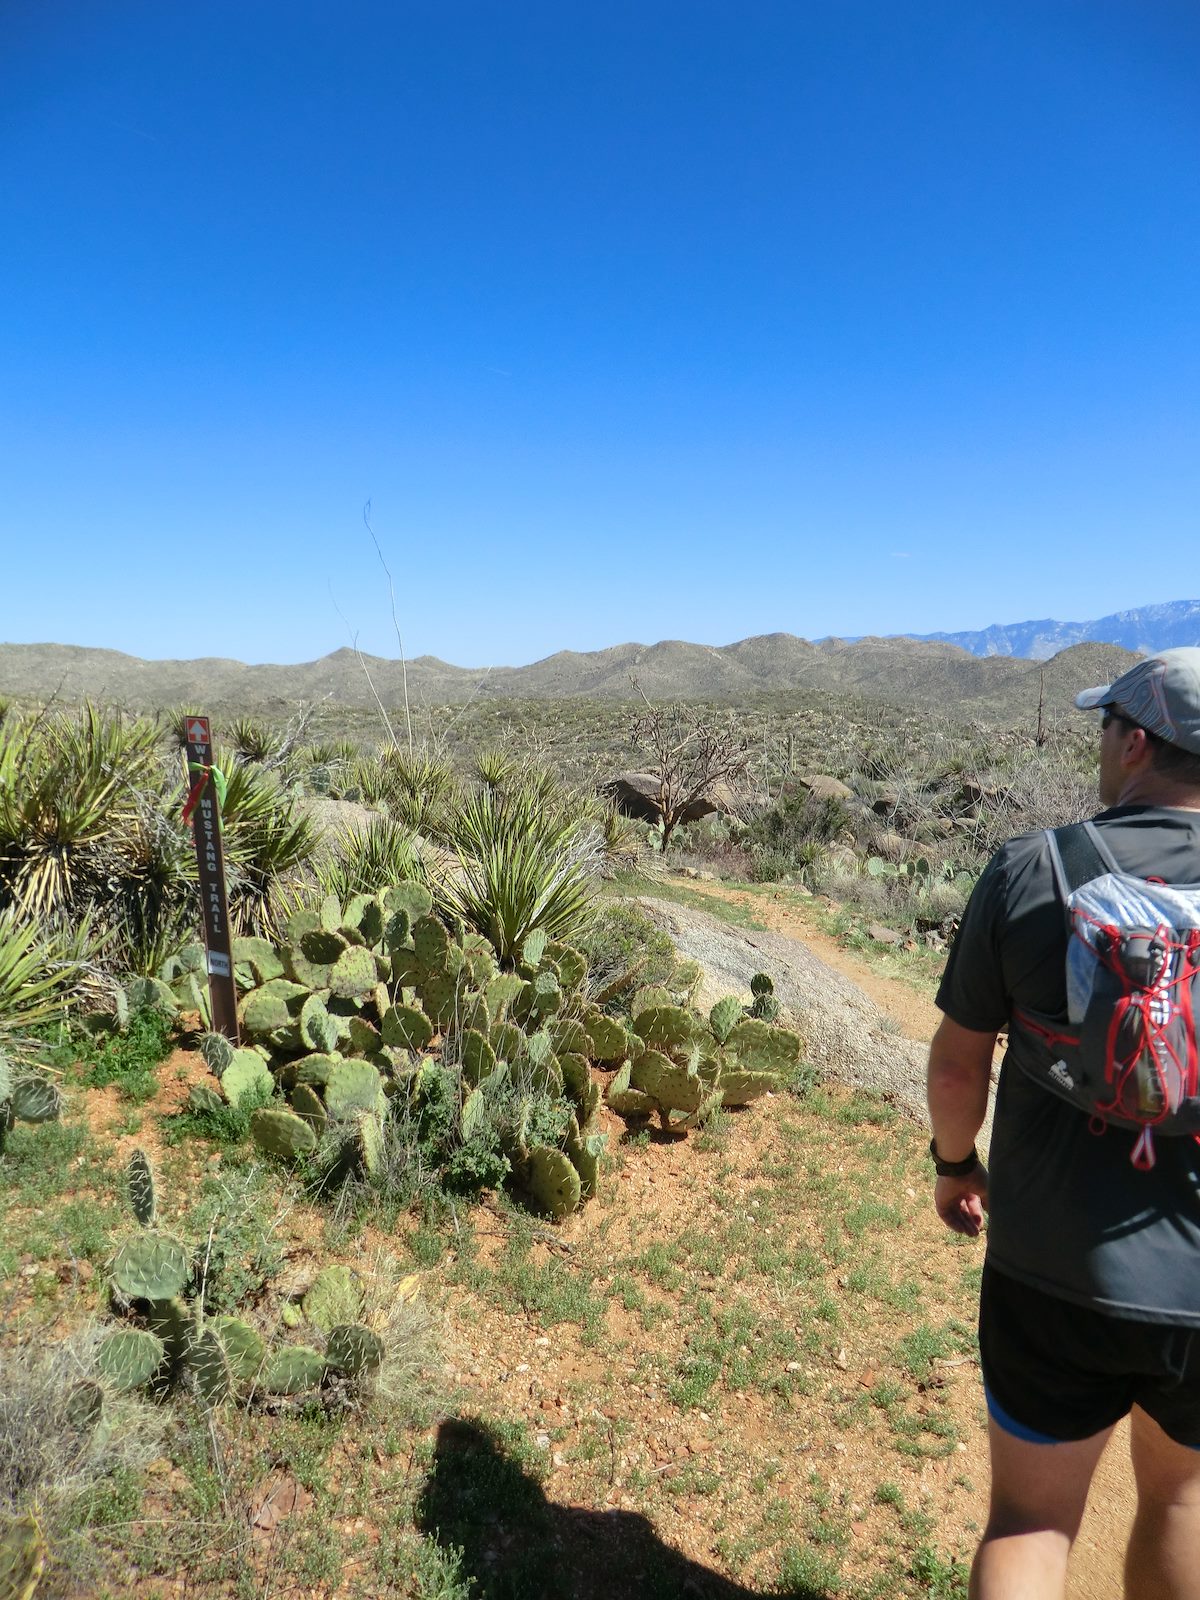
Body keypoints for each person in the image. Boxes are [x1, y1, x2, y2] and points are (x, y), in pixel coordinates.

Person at [926, 646, 1200, 1600]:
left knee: (1031, 1523)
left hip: (1053, 1263)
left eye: (1105, 727)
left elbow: (959, 1065)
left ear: (1134, 742)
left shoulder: (1029, 873)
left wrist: (953, 1167)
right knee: (1181, 1502)